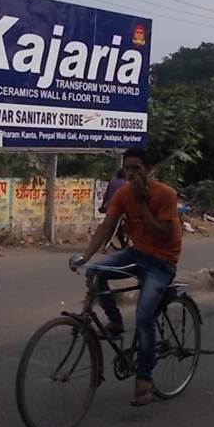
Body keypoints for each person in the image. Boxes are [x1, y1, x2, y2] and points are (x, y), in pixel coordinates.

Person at [72, 147, 183, 407]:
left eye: (137, 168)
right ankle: (115, 321)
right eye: (128, 168)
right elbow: (107, 226)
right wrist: (86, 257)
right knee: (96, 273)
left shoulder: (165, 194)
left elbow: (158, 232)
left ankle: (144, 381)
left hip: (162, 262)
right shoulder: (122, 193)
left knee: (144, 316)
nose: (132, 174)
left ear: (148, 169)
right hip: (136, 253)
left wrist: (143, 203)